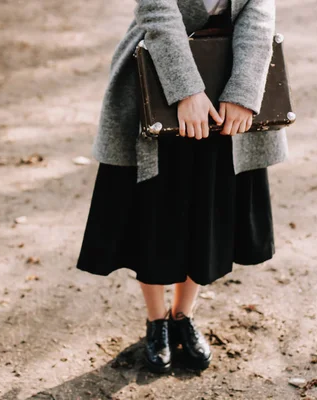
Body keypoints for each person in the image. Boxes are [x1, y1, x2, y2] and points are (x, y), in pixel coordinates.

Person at [76, 0, 288, 373]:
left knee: (208, 204)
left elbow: (258, 13)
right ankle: (156, 321)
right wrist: (185, 90)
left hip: (229, 83)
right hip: (156, 77)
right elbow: (156, 10)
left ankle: (182, 315)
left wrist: (243, 91)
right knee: (153, 204)